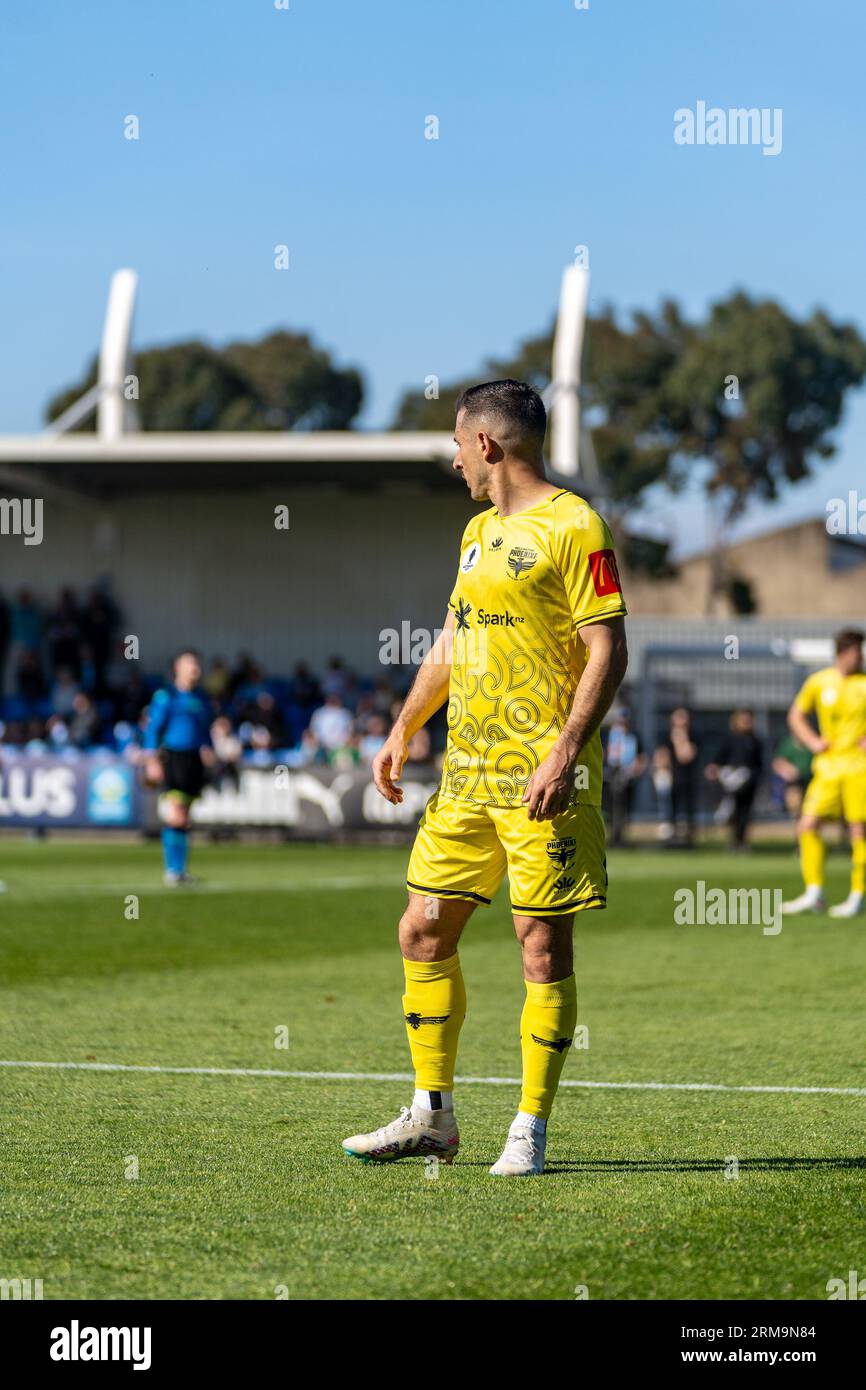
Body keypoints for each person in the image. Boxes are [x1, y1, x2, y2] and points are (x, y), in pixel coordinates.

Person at [341, 379, 628, 1177]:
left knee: (541, 948)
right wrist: (405, 724)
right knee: (421, 929)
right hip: (467, 780)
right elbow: (452, 639)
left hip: (544, 780)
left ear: (489, 446)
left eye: (458, 444)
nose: (454, 458)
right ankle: (431, 1115)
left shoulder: (576, 524)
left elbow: (608, 650)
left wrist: (565, 752)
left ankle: (529, 1127)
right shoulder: (474, 532)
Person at [781, 629, 866, 918]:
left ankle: (858, 894)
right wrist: (813, 741)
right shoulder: (820, 682)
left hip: (859, 767)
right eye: (857, 652)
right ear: (842, 654)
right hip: (828, 767)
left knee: (858, 829)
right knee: (807, 825)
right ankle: (814, 891)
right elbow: (795, 715)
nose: (861, 657)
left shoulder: (864, 684)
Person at [142, 650, 213, 886]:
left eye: (197, 664)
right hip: (174, 757)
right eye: (190, 663)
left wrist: (208, 748)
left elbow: (204, 729)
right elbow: (153, 729)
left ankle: (180, 870)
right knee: (177, 813)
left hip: (194, 759)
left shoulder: (201, 698)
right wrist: (152, 760)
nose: (195, 669)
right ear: (177, 667)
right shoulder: (167, 696)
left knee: (185, 816)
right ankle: (173, 870)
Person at [705, 709, 763, 850]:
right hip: (731, 783)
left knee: (745, 813)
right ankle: (734, 841)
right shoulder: (730, 739)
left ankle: (742, 841)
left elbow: (758, 764)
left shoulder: (755, 740)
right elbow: (719, 758)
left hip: (748, 783)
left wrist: (753, 777)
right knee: (733, 813)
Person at [602, 708, 646, 846]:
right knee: (609, 806)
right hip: (610, 773)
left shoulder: (634, 736)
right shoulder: (607, 734)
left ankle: (620, 835)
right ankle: (612, 834)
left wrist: (636, 770)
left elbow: (641, 757)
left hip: (626, 774)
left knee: (624, 807)